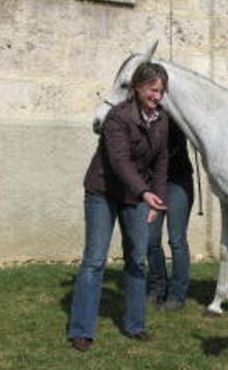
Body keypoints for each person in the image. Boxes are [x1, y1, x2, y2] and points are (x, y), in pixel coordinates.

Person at [67, 62, 170, 351]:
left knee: (137, 260)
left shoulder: (162, 120)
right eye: (152, 90)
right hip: (103, 191)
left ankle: (135, 325)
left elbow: (162, 163)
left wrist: (157, 198)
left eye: (161, 91)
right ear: (137, 88)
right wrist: (145, 192)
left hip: (136, 196)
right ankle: (81, 329)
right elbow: (119, 162)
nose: (157, 96)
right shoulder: (118, 117)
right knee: (95, 260)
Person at [146, 115, 194, 312]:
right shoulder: (138, 115)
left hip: (177, 181)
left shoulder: (175, 114)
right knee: (150, 239)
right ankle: (158, 288)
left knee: (176, 239)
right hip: (153, 183)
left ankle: (177, 294)